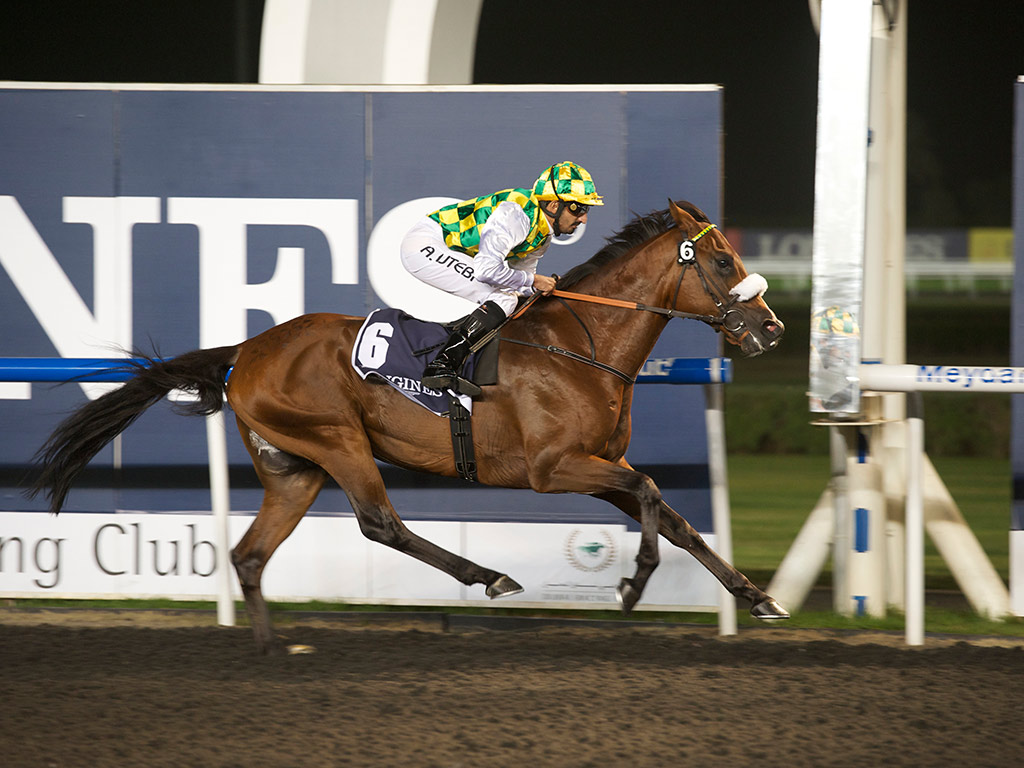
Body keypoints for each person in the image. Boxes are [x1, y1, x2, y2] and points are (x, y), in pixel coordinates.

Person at [400, 161, 603, 394]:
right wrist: (535, 281)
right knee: (504, 300)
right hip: (424, 245)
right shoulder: (516, 214)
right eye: (579, 208)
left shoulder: (542, 234)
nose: (584, 219)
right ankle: (442, 365)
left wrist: (550, 289)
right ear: (554, 205)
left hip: (449, 249)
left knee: (512, 299)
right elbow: (487, 270)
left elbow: (521, 281)